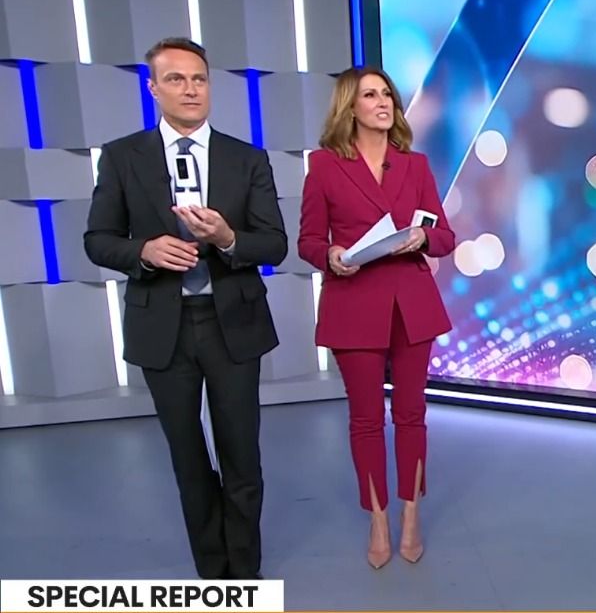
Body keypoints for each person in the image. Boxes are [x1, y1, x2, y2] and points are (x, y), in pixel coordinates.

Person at [84, 37, 287, 579]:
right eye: (175, 79)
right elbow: (98, 240)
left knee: (241, 455)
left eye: (199, 79)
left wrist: (227, 238)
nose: (190, 89)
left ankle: (244, 575)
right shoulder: (122, 156)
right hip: (163, 328)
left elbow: (274, 244)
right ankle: (212, 575)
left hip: (232, 324)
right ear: (153, 88)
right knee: (188, 458)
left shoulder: (247, 158)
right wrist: (143, 252)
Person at [297, 66, 455, 568]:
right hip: (354, 303)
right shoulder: (324, 166)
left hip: (412, 305)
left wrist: (423, 237)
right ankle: (378, 518)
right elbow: (308, 241)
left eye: (387, 94)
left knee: (411, 414)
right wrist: (331, 255)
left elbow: (446, 237)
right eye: (370, 95)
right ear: (350, 107)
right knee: (366, 419)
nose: (383, 102)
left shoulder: (415, 165)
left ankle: (410, 514)